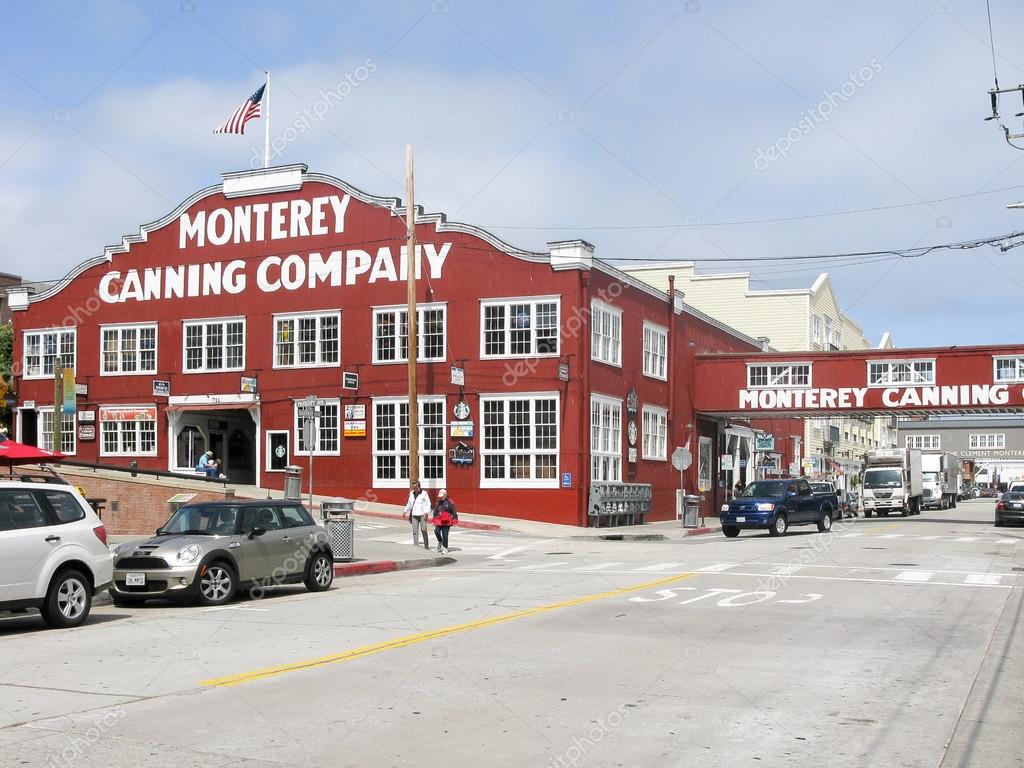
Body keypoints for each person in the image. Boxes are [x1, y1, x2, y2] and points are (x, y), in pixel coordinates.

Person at [403, 480, 431, 549]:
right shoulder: (411, 493)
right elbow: (409, 504)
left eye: (416, 487)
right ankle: (416, 546)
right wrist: (405, 511)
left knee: (423, 530)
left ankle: (426, 545)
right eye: (414, 487)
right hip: (414, 515)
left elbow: (428, 504)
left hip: (422, 514)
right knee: (415, 530)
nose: (415, 489)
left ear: (419, 486)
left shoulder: (424, 493)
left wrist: (426, 512)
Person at [431, 488, 458, 554]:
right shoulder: (438, 502)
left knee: (445, 535)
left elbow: (454, 511)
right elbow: (435, 511)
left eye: (442, 496)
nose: (440, 497)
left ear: (445, 495)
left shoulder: (450, 502)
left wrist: (455, 520)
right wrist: (434, 520)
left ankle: (445, 547)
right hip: (439, 520)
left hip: (447, 521)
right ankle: (440, 541)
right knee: (436, 531)